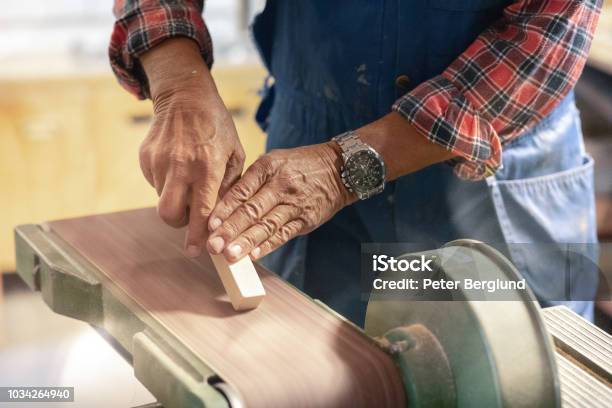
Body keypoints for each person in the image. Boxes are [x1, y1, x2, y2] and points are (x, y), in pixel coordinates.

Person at [110, 0, 602, 325]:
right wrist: (179, 86)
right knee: (306, 369)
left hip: (493, 163)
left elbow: (548, 34)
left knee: (517, 375)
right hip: (308, 145)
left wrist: (344, 168)